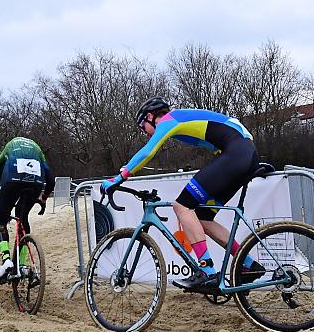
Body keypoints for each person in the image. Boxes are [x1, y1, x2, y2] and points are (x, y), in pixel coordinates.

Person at [101, 97, 266, 293]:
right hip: (246, 155)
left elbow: (148, 152)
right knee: (203, 218)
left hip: (236, 154)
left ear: (151, 116)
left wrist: (120, 177)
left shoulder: (170, 119)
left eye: (142, 126)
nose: (144, 133)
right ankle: (247, 264)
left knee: (182, 206)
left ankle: (206, 272)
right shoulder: (183, 121)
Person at [0, 137, 55, 285]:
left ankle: (6, 262)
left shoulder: (10, 145)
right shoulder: (37, 149)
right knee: (23, 218)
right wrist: (43, 199)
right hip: (35, 183)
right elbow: (51, 180)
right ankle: (22, 264)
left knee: (0, 219)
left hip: (12, 181)